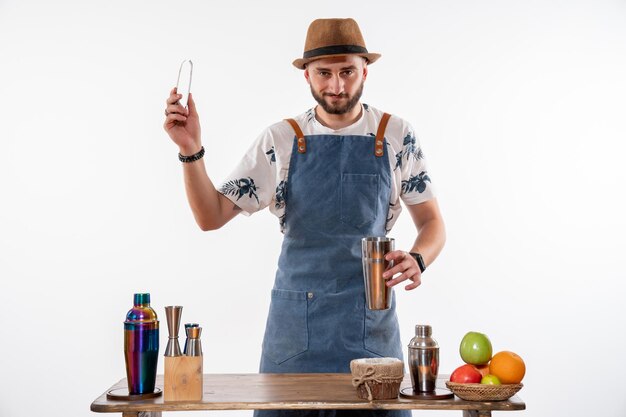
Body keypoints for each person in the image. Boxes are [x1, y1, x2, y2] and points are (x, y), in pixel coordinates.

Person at [164, 18, 445, 417]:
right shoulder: (281, 139)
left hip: (371, 333)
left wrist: (418, 259)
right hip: (293, 337)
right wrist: (191, 149)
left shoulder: (396, 135)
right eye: (324, 74)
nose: (337, 86)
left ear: (364, 70)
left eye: (347, 71)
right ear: (307, 76)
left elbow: (432, 223)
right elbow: (210, 216)